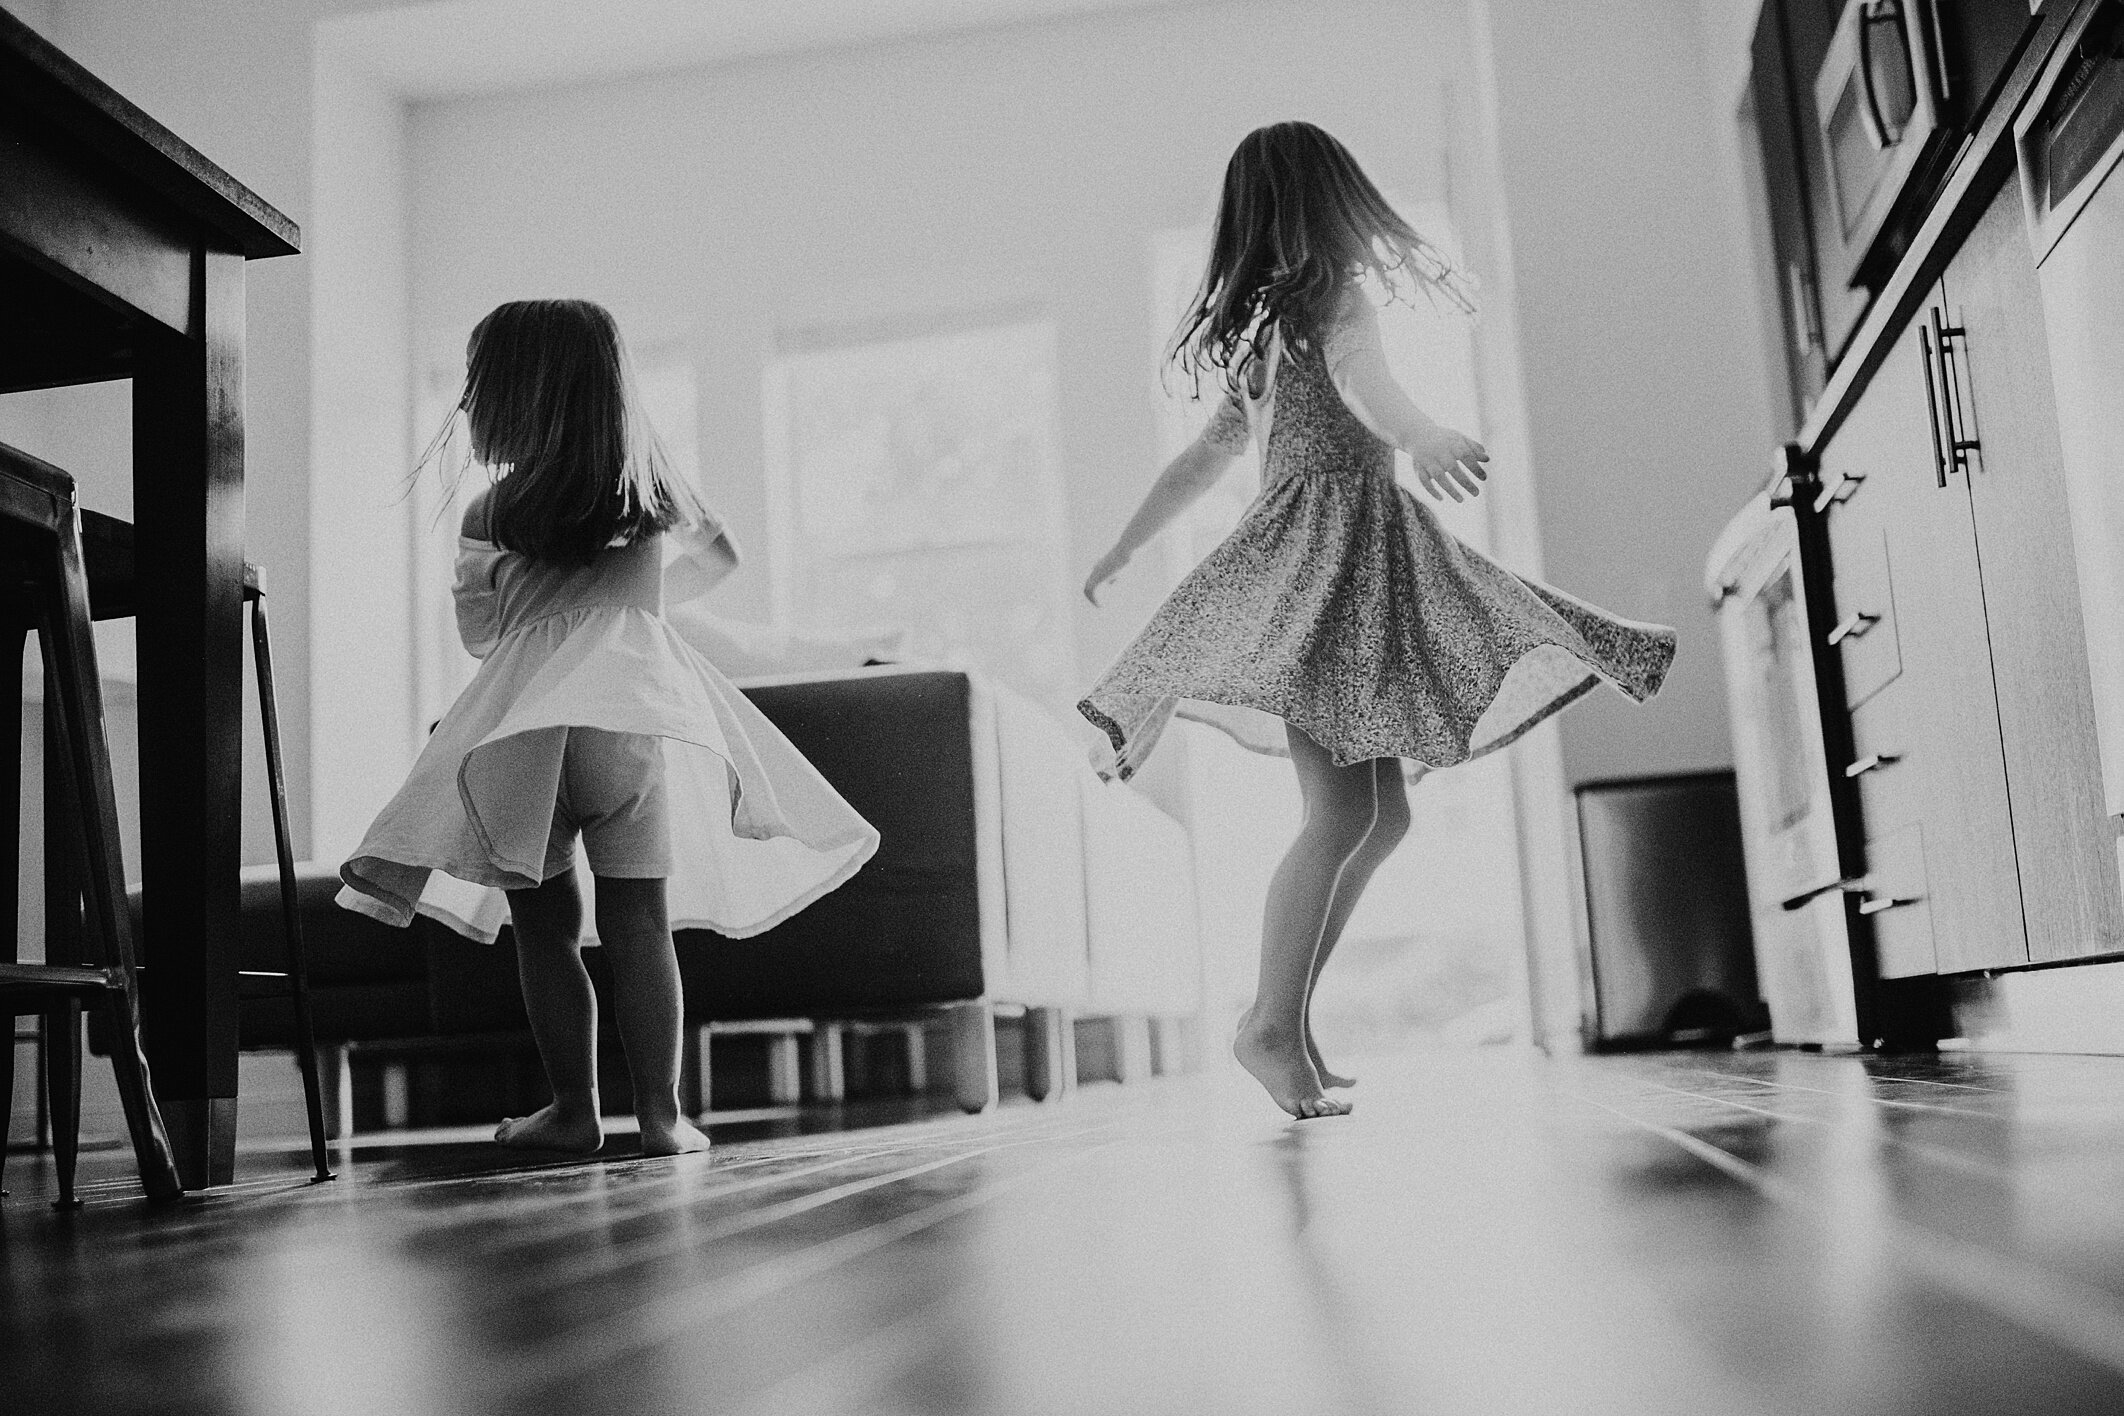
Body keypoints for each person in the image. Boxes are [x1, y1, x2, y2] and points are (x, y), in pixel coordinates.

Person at [1079, 123, 1676, 1119]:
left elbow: (1202, 464)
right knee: (1340, 815)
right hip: (1321, 572)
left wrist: (1127, 545)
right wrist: (1423, 430)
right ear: (1330, 204)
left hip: (1329, 570)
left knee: (1380, 812)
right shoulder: (1328, 307)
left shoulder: (1262, 330)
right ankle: (1266, 1024)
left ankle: (1289, 1020)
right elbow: (1370, 388)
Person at [338, 299, 878, 1156]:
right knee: (640, 924)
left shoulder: (492, 511)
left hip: (524, 740)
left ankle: (575, 1108)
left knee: (546, 931)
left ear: (512, 395)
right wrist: (639, 617)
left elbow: (482, 636)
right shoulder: (648, 492)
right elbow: (724, 556)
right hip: (630, 724)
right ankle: (663, 1117)